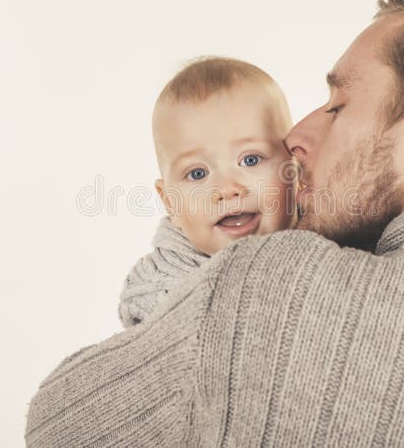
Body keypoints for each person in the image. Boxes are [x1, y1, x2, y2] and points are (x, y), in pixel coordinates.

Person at [25, 0, 404, 447]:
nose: (298, 135)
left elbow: (56, 423)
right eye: (197, 173)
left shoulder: (271, 287)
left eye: (338, 105)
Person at [117, 56, 298, 328]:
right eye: (197, 174)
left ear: (295, 167)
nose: (227, 190)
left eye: (250, 160)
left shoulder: (332, 241)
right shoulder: (162, 288)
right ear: (171, 203)